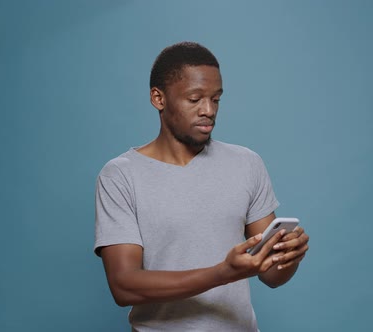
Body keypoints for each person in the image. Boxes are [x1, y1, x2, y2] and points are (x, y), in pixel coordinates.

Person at [94, 41, 309, 331]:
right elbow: (124, 286)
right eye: (195, 99)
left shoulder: (246, 163)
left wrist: (288, 257)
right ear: (159, 98)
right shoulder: (120, 176)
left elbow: (271, 276)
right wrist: (222, 273)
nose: (208, 110)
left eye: (216, 99)